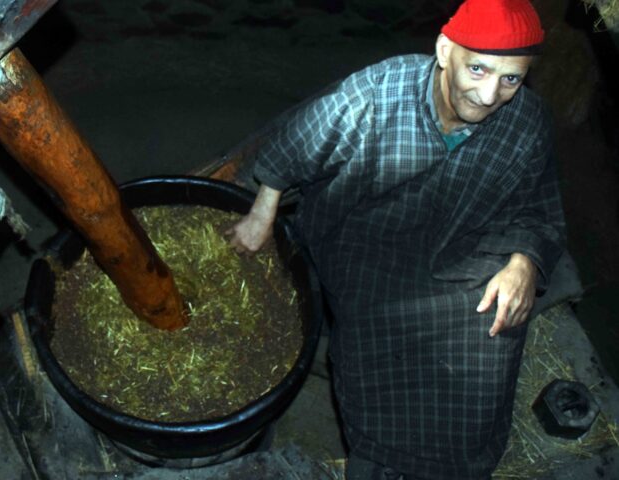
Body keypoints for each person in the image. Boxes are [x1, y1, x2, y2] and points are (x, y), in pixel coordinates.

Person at [226, 0, 566, 478]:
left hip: (460, 254)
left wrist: (524, 262)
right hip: (365, 241)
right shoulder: (378, 92)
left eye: (510, 79)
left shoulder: (525, 122)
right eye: (478, 69)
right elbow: (299, 139)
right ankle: (379, 460)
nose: (490, 95)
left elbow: (539, 206)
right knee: (376, 349)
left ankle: (460, 465)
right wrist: (262, 211)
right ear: (446, 50)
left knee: (491, 343)